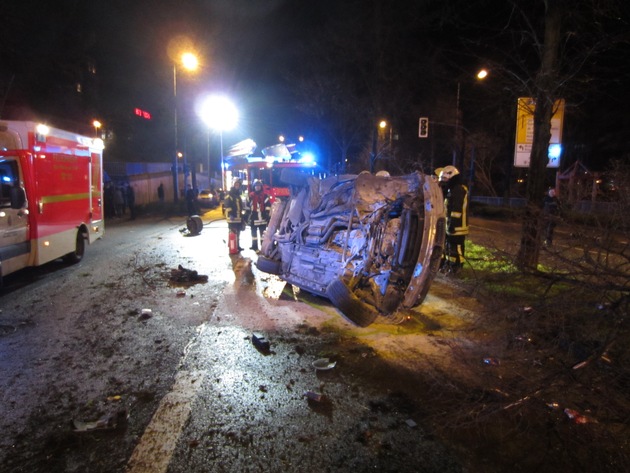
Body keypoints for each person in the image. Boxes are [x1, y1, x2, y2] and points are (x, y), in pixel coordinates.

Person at [436, 165, 469, 273]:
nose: (444, 182)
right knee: (450, 246)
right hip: (452, 224)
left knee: (457, 246)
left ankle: (458, 266)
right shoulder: (452, 189)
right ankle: (451, 265)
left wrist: (453, 224)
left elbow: (456, 209)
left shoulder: (458, 189)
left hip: (458, 225)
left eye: (446, 179)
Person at [247, 179, 271, 251]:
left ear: (261, 187)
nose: (257, 187)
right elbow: (247, 205)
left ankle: (263, 246)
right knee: (253, 232)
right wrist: (247, 214)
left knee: (262, 233)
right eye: (256, 186)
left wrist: (267, 213)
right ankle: (254, 246)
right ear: (254, 187)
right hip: (254, 216)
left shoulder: (265, 195)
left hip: (262, 216)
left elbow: (268, 205)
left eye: (259, 186)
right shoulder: (251, 195)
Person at [223, 178, 245, 252]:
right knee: (233, 232)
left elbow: (240, 205)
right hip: (232, 217)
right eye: (236, 184)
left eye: (238, 185)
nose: (237, 186)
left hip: (238, 217)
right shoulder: (229, 194)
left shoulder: (237, 194)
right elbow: (227, 204)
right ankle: (232, 247)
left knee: (238, 232)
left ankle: (237, 246)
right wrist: (230, 214)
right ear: (233, 185)